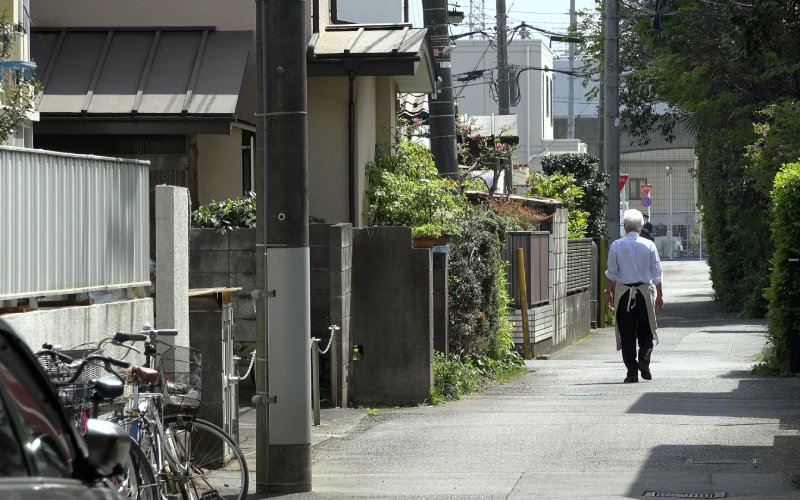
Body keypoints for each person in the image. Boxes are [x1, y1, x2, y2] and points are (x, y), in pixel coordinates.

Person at [605, 209, 664, 383]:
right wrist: (660, 295)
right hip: (644, 292)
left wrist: (608, 293)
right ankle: (644, 359)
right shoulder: (649, 245)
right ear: (641, 226)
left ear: (624, 227)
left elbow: (611, 273)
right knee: (646, 329)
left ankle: (632, 372)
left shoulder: (616, 245)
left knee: (627, 333)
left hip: (624, 294)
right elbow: (657, 273)